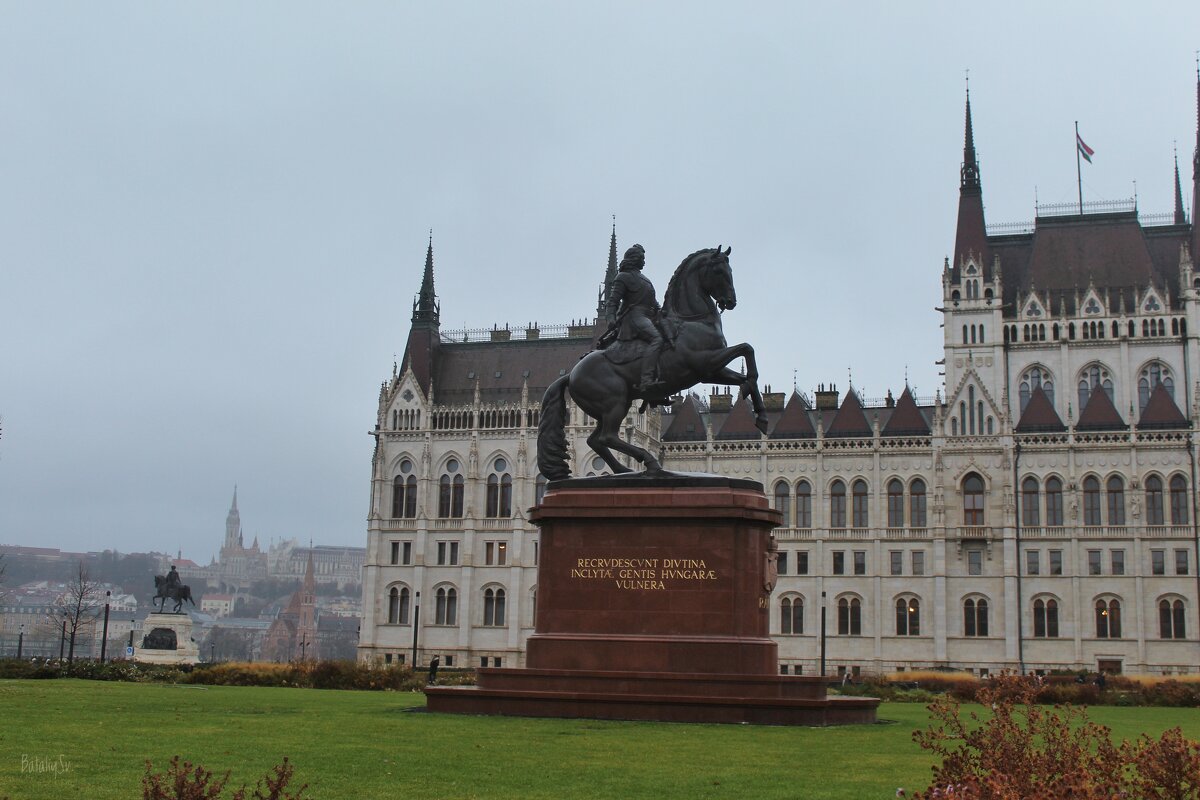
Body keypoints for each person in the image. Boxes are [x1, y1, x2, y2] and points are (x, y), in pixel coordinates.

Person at [604, 244, 664, 393]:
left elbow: (654, 303)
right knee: (657, 339)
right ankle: (646, 380)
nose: (644, 261)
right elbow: (613, 302)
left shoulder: (645, 280)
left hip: (647, 316)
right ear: (634, 259)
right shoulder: (622, 277)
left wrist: (664, 312)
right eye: (642, 258)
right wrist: (611, 318)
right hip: (633, 318)